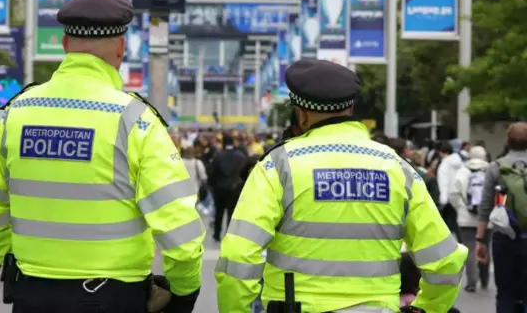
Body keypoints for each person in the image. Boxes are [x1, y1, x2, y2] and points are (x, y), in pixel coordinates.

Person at [0, 0, 204, 313]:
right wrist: (183, 292)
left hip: (32, 295)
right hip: (112, 297)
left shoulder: (17, 114)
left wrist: (20, 261)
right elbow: (181, 231)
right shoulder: (135, 121)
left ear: (65, 45)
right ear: (121, 49)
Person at [215, 59, 468, 313]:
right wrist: (425, 308)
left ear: (301, 114)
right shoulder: (396, 167)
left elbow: (238, 255)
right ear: (351, 108)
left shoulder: (279, 165)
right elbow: (446, 260)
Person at [476, 122, 527, 313]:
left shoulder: (495, 168)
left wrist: (480, 240)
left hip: (504, 238)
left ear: (508, 140)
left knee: (505, 292)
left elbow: (486, 207)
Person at [449, 145, 490, 292]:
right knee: (485, 246)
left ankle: (472, 282)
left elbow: (453, 194)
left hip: (466, 218)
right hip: (486, 219)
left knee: (470, 249)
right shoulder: (490, 171)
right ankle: (485, 279)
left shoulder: (463, 171)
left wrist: (461, 207)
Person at [209, 134, 247, 242]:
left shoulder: (218, 156)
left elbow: (211, 173)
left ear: (223, 143)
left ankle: (217, 234)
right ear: (233, 142)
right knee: (232, 212)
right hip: (235, 189)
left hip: (219, 188)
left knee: (219, 212)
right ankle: (229, 234)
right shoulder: (241, 156)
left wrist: (213, 185)